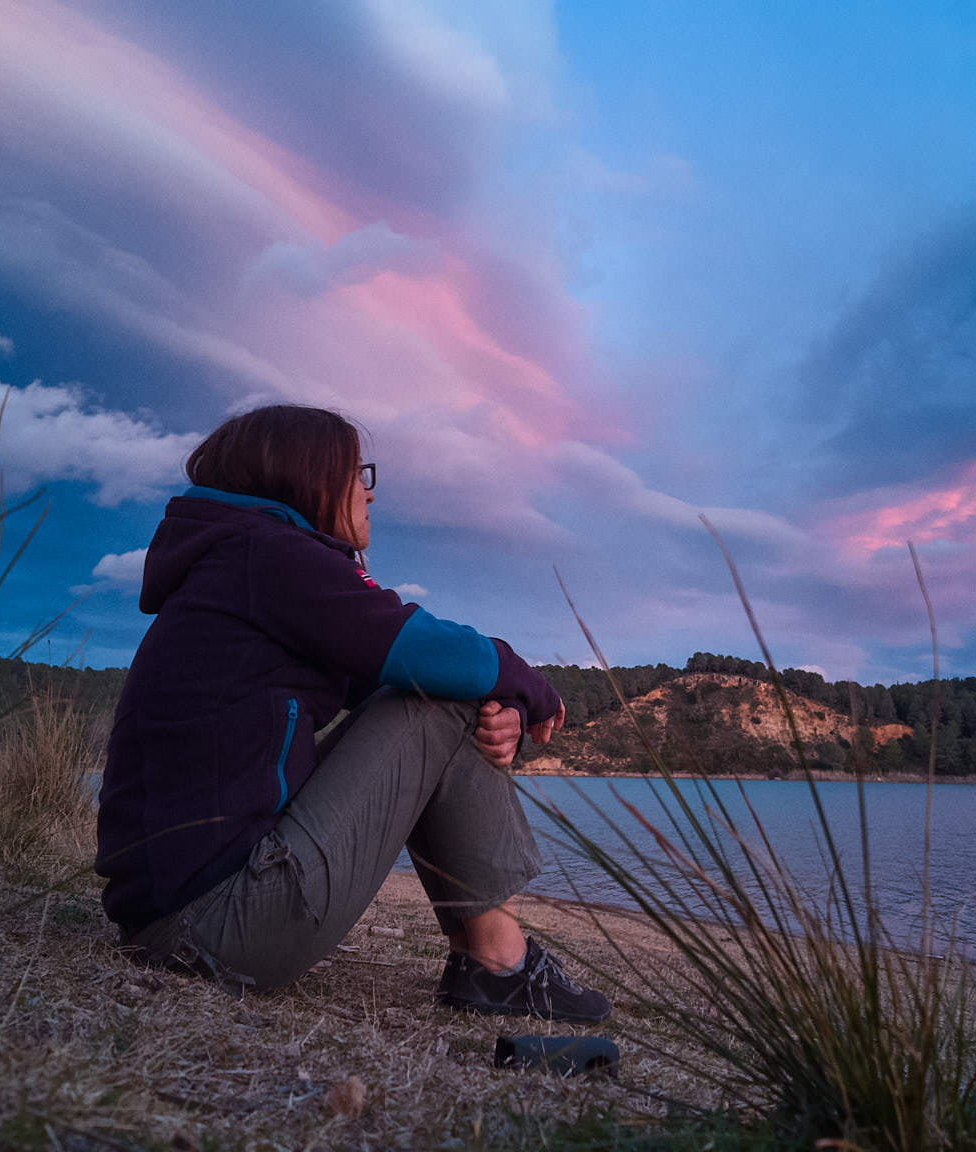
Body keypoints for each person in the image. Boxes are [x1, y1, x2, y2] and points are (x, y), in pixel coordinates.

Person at [95, 404, 610, 1022]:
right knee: (438, 692)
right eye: (355, 473)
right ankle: (500, 964)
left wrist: (493, 711)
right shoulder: (269, 556)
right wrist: (524, 680)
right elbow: (434, 659)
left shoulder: (242, 567)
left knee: (436, 697)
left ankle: (487, 962)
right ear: (308, 477)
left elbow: (396, 695)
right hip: (216, 930)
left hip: (179, 922)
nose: (368, 493)